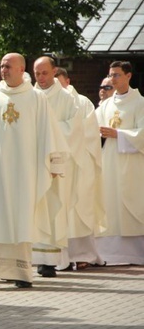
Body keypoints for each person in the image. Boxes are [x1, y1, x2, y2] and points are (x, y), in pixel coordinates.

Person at [0, 53, 67, 289]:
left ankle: (21, 273)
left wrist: (53, 165)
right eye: (1, 66)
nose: (3, 70)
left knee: (20, 220)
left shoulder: (36, 99)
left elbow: (49, 135)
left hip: (25, 174)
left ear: (22, 69)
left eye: (8, 66)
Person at [32, 56, 79, 275]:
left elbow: (73, 129)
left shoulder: (65, 98)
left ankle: (48, 261)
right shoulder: (27, 97)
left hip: (53, 163)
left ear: (54, 72)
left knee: (52, 209)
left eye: (44, 73)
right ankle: (28, 257)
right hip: (30, 163)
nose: (40, 77)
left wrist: (46, 131)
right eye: (37, 73)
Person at [55, 67, 105, 267]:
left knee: (79, 210)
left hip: (79, 163)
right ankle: (55, 256)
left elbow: (89, 134)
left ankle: (81, 255)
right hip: (55, 164)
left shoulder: (82, 102)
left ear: (68, 81)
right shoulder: (44, 100)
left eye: (60, 82)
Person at [96, 61, 144, 264]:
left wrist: (118, 134)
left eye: (117, 75)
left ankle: (135, 254)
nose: (113, 79)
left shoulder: (140, 103)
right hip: (109, 161)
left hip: (131, 163)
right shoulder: (106, 105)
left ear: (128, 76)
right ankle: (108, 254)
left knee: (130, 202)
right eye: (111, 75)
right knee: (108, 202)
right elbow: (91, 128)